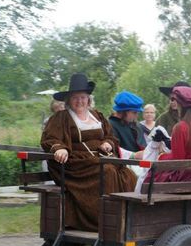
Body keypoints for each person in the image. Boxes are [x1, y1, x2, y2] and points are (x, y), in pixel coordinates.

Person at [41, 73, 136, 231]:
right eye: (75, 97)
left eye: (83, 97)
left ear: (88, 99)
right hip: (76, 163)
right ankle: (105, 221)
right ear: (69, 100)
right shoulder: (62, 117)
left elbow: (110, 136)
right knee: (108, 172)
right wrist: (60, 148)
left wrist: (107, 143)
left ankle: (125, 217)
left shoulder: (97, 115)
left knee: (128, 175)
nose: (80, 101)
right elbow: (49, 138)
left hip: (101, 159)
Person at [108, 91, 147, 155]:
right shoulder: (110, 126)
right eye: (134, 112)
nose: (136, 115)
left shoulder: (135, 125)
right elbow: (115, 152)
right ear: (123, 112)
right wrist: (134, 156)